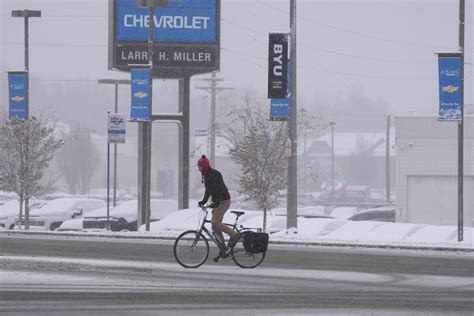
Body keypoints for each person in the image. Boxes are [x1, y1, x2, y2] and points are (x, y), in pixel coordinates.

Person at [197, 155, 240, 260]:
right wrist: (205, 202)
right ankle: (223, 249)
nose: (198, 169)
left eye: (200, 167)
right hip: (219, 202)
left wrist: (213, 202)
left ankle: (234, 235)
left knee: (215, 222)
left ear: (204, 167)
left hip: (224, 201)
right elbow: (209, 190)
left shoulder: (213, 175)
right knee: (215, 227)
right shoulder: (207, 175)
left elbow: (216, 189)